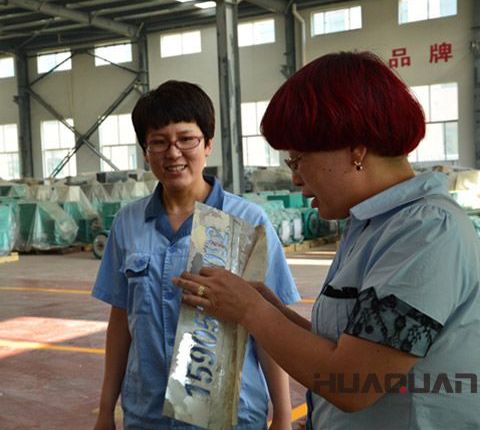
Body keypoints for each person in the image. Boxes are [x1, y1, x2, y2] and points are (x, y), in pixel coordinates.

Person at [174, 52, 480, 430]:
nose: (295, 178)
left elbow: (354, 383)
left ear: (356, 149)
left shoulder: (427, 231)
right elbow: (344, 348)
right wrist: (271, 309)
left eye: (297, 159)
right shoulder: (370, 226)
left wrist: (251, 310)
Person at [91, 80, 300, 430]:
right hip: (148, 415)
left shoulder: (248, 222)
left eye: (186, 139)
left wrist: (282, 415)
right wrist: (104, 411)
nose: (173, 153)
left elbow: (270, 325)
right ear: (146, 151)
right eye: (159, 142)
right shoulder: (128, 223)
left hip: (229, 417)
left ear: (208, 144)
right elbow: (121, 321)